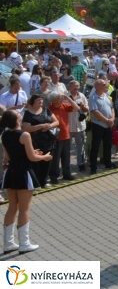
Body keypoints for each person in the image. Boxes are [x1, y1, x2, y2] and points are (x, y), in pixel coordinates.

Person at [1, 110, 54, 253]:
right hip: (23, 172)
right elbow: (32, 158)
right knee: (24, 208)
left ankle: (8, 243)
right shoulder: (24, 135)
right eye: (17, 114)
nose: (20, 113)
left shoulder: (5, 135)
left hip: (11, 172)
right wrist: (44, 157)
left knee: (12, 207)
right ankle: (24, 243)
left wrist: (32, 153)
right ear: (16, 120)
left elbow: (9, 155)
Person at [21, 93, 60, 188]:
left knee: (46, 162)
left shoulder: (46, 110)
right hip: (35, 142)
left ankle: (44, 181)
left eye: (41, 99)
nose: (41, 101)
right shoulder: (28, 113)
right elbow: (26, 128)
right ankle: (35, 183)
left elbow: (56, 122)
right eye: (38, 100)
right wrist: (40, 126)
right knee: (36, 163)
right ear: (33, 102)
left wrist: (49, 126)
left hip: (48, 141)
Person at [88, 79, 116, 174]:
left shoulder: (107, 96)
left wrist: (112, 118)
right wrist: (107, 120)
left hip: (108, 125)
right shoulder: (92, 97)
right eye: (103, 84)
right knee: (95, 146)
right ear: (97, 86)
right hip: (98, 125)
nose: (106, 86)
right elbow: (95, 112)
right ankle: (93, 167)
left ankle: (108, 163)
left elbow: (112, 108)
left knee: (108, 145)